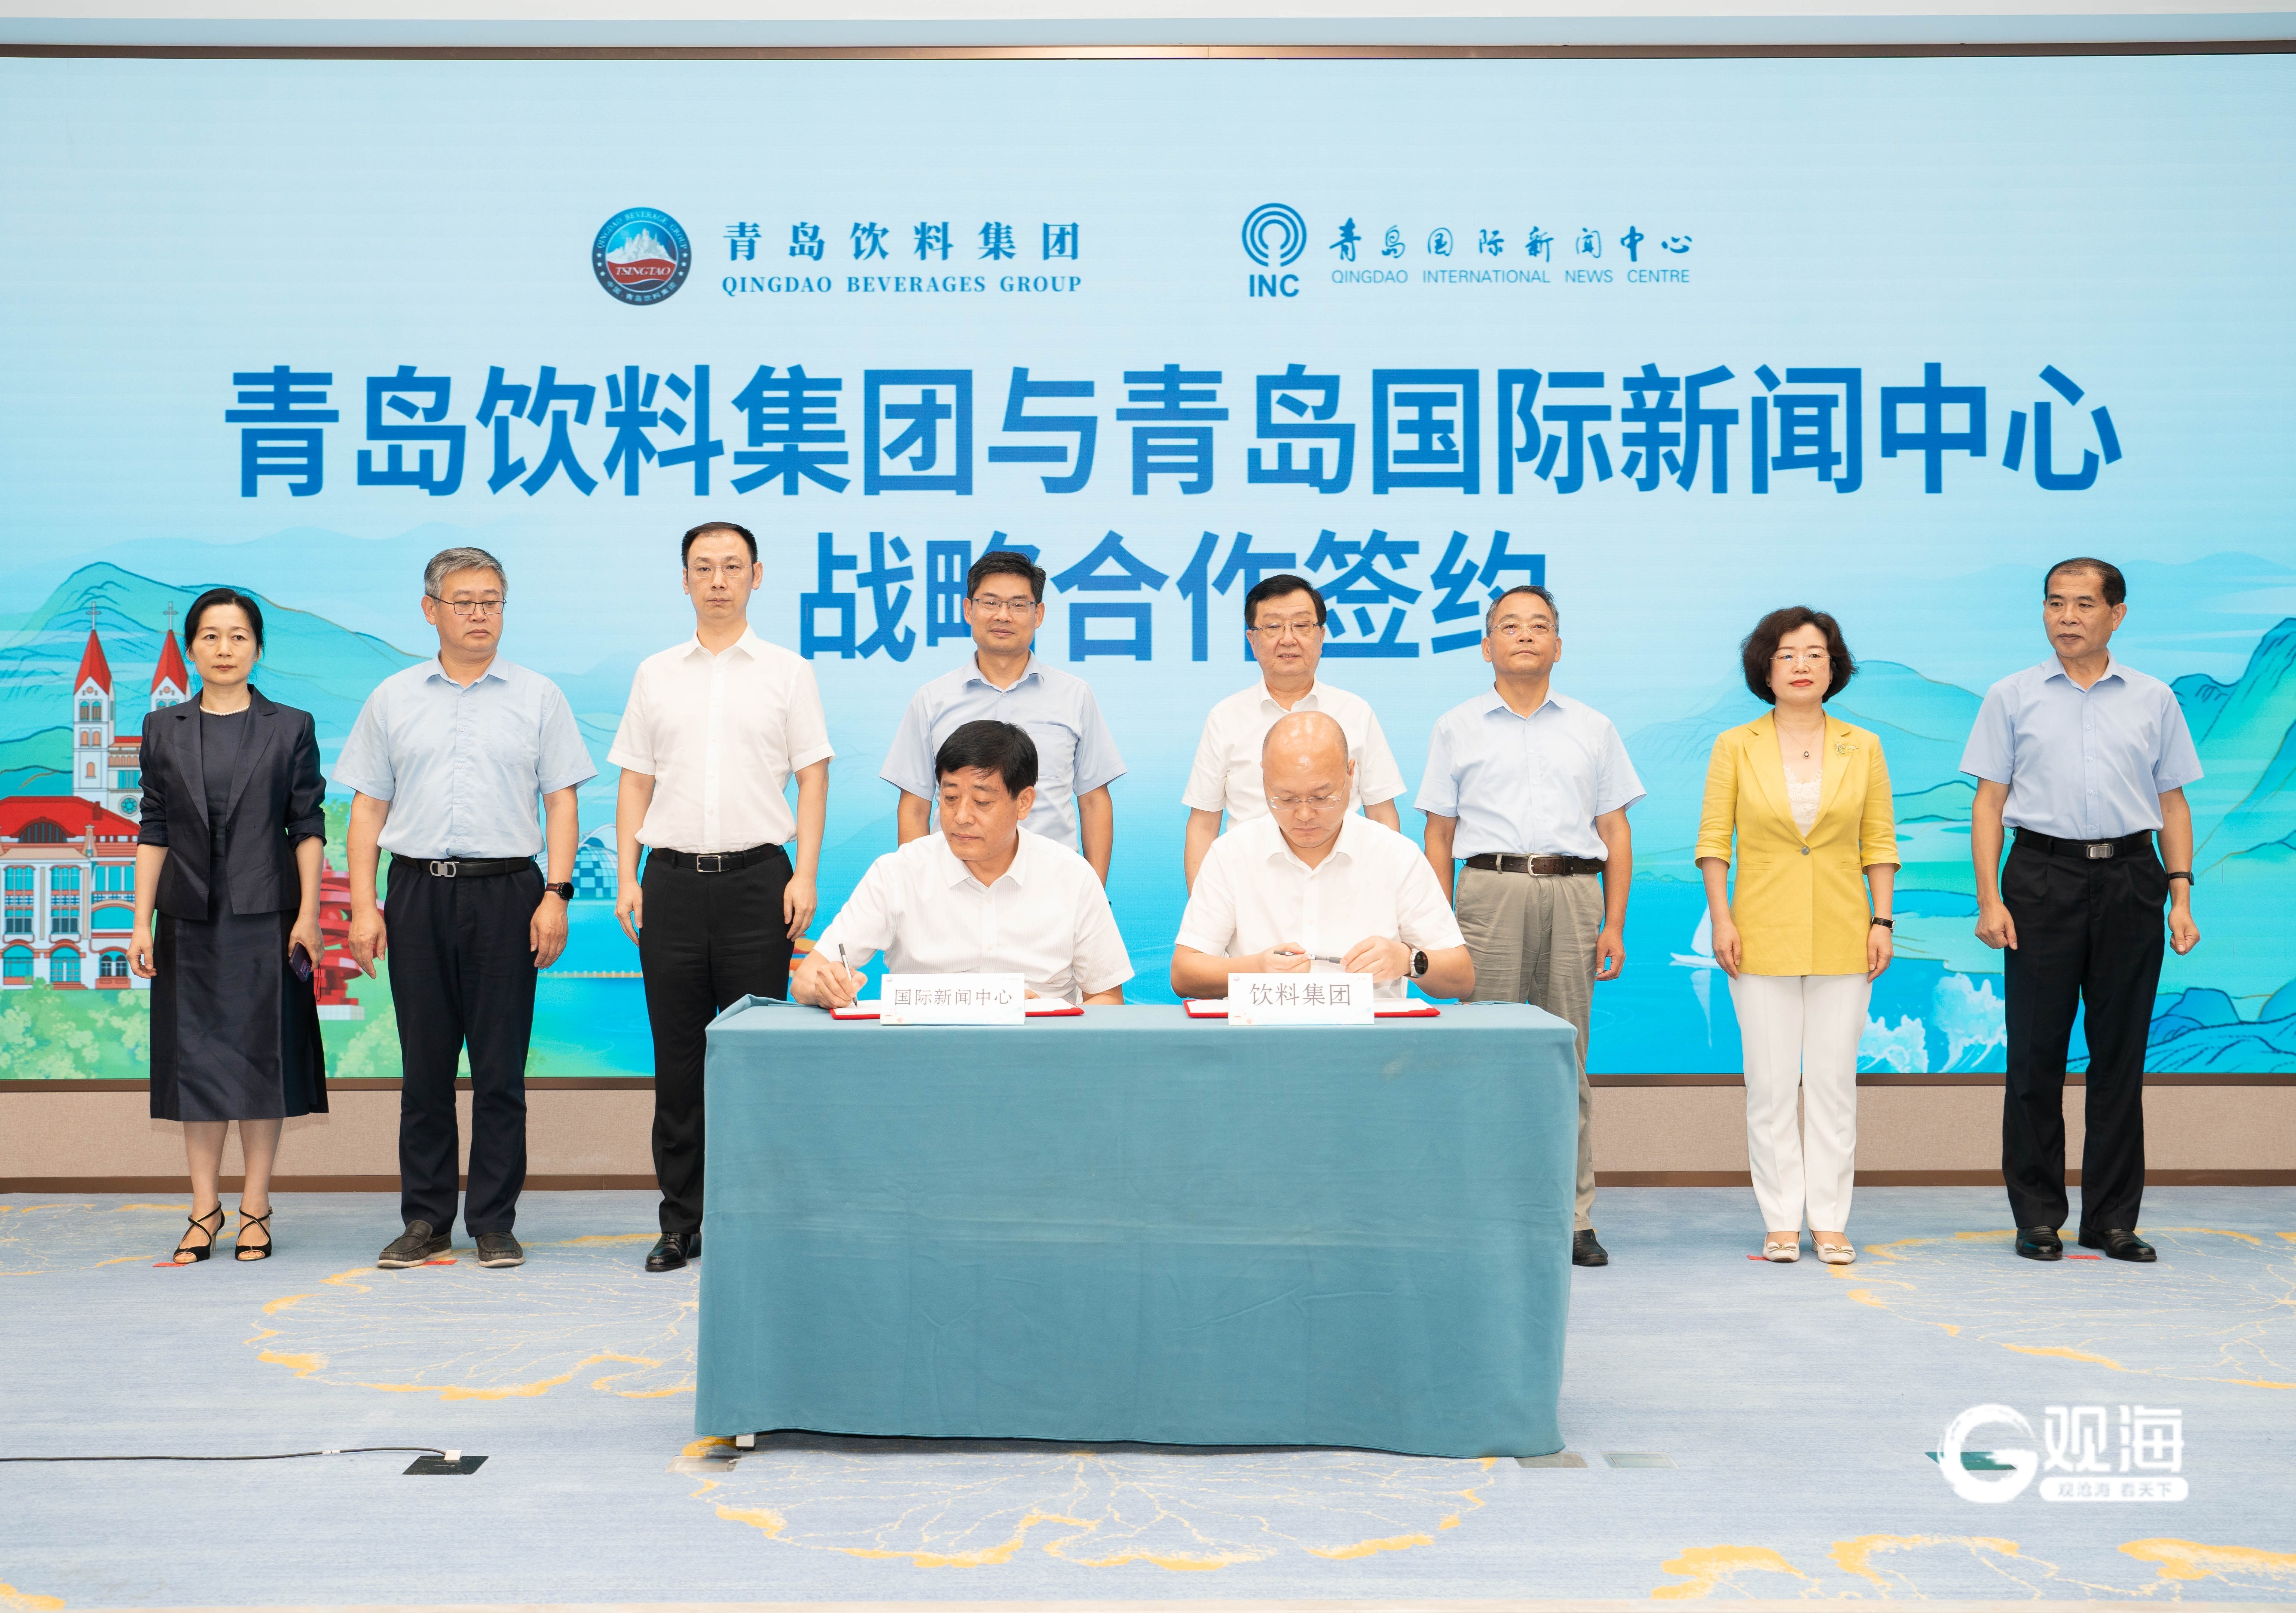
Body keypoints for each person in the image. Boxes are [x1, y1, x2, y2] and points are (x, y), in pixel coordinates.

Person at [336, 547, 595, 1271]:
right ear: (431, 610)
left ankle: (493, 1221)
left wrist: (556, 894)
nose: (480, 613)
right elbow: (368, 808)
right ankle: (424, 1219)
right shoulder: (393, 697)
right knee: (424, 1070)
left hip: (510, 892)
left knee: (499, 1071)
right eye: (465, 601)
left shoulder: (538, 696)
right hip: (416, 892)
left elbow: (562, 801)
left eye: (492, 601)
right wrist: (364, 905)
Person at [1963, 558, 2201, 1264]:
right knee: (2034, 1055)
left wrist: (2180, 895)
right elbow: (1987, 803)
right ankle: (2038, 1216)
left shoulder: (2153, 698)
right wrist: (1989, 898)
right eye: (2054, 603)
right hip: (2041, 875)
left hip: (2131, 877)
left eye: (2083, 604)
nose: (2066, 617)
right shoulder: (2011, 696)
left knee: (2120, 1056)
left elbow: (2172, 804)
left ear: (2116, 614)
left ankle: (2110, 1219)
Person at [611, 521, 833, 1274]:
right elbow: (634, 779)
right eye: (703, 567)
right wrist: (628, 875)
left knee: (755, 1057)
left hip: (758, 884)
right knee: (677, 1064)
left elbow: (812, 776)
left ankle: (755, 1216)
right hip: (670, 884)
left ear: (756, 576)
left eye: (732, 566)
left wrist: (805, 874)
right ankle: (680, 1222)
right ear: (684, 579)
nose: (717, 580)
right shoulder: (655, 674)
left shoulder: (788, 672)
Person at [1418, 584, 1642, 1268]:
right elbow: (1438, 836)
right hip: (1487, 892)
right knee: (1482, 1056)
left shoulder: (1593, 727)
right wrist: (1438, 929)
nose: (1524, 635)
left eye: (1538, 626)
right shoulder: (1455, 726)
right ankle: (1480, 1211)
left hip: (1575, 893)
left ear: (1558, 646)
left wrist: (1614, 923)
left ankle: (1572, 1217)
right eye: (1509, 626)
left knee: (1564, 1060)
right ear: (1486, 645)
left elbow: (1615, 831)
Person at [128, 588, 327, 1264]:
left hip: (267, 918)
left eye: (238, 636)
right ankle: (203, 1209)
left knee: (263, 1063)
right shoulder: (162, 728)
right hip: (188, 920)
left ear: (258, 648)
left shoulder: (290, 725)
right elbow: (153, 827)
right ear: (192, 649)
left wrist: (308, 916)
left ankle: (256, 1207)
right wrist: (141, 922)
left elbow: (307, 826)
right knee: (197, 1067)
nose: (224, 648)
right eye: (210, 636)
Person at [1696, 607, 1898, 1265]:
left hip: (1845, 932)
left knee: (1834, 1084)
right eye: (1786, 655)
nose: (1801, 665)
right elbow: (1713, 842)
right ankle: (1781, 1218)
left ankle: (1830, 1219)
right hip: (1758, 934)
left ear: (1835, 668)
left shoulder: (1862, 745)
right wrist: (1722, 919)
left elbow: (1879, 842)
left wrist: (1882, 920)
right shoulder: (1735, 744)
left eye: (1815, 654)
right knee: (1771, 1085)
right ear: (1765, 669)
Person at [795, 721, 1131, 1008]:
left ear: (1024, 802)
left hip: (1037, 1050)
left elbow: (1107, 998)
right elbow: (806, 979)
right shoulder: (897, 873)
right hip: (923, 1050)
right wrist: (826, 988)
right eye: (950, 798)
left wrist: (1045, 1018)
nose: (961, 817)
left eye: (982, 802)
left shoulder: (1072, 877)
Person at [1173, 711, 1473, 1003]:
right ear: (1264, 777)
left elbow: (1461, 978)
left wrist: (1408, 960)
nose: (1304, 814)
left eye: (1322, 797)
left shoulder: (1396, 855)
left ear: (1351, 774)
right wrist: (1254, 968)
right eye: (1286, 798)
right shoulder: (1232, 853)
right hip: (1264, 1030)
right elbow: (1184, 974)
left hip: (1371, 1032)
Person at [881, 551, 1125, 882]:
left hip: (1053, 884)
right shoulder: (932, 699)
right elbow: (915, 806)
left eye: (1018, 605)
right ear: (969, 610)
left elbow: (1094, 801)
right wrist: (920, 890)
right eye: (990, 603)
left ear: (1038, 614)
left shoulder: (1074, 696)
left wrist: (1093, 893)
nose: (1003, 616)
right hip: (953, 884)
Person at [1181, 575, 1407, 889]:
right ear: (1252, 640)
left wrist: (1387, 895)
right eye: (1273, 627)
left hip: (1344, 888)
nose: (1288, 639)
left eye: (1301, 626)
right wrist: (1202, 908)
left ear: (1321, 636)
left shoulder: (1355, 712)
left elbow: (1382, 816)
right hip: (1250, 888)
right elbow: (1203, 825)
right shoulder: (1225, 717)